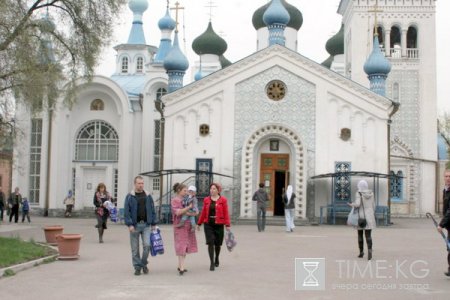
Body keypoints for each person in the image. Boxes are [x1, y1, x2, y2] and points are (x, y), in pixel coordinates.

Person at [124, 176, 156, 275]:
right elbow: (127, 212)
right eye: (139, 183)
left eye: (142, 183)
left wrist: (153, 223)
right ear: (135, 184)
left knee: (147, 246)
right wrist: (129, 224)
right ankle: (137, 267)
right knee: (135, 249)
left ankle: (143, 264)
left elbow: (152, 209)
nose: (141, 185)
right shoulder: (130, 196)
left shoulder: (148, 195)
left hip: (146, 225)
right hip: (135, 226)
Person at [197, 182, 231, 271]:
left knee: (218, 244)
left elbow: (226, 212)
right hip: (208, 224)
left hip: (219, 224)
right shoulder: (206, 200)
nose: (212, 190)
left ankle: (216, 258)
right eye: (211, 188)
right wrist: (199, 223)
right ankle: (211, 262)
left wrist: (227, 224)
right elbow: (204, 212)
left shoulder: (223, 200)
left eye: (214, 189)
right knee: (210, 242)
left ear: (218, 190)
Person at [171, 183, 198, 275]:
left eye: (187, 190)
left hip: (188, 225)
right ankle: (182, 267)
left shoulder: (188, 199)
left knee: (185, 245)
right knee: (181, 245)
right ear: (179, 190)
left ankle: (180, 265)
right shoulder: (175, 200)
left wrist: (193, 212)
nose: (187, 192)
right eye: (184, 190)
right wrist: (189, 208)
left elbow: (195, 211)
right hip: (179, 225)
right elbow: (178, 212)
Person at [349, 180, 376, 260]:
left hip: (361, 217)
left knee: (360, 234)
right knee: (368, 235)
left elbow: (357, 204)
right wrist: (371, 212)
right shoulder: (371, 193)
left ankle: (361, 252)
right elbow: (373, 205)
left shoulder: (358, 193)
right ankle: (370, 251)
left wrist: (351, 204)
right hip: (370, 216)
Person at [437, 169, 450, 276]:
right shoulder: (445, 190)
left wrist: (441, 224)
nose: (448, 178)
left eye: (449, 176)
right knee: (449, 247)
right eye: (446, 176)